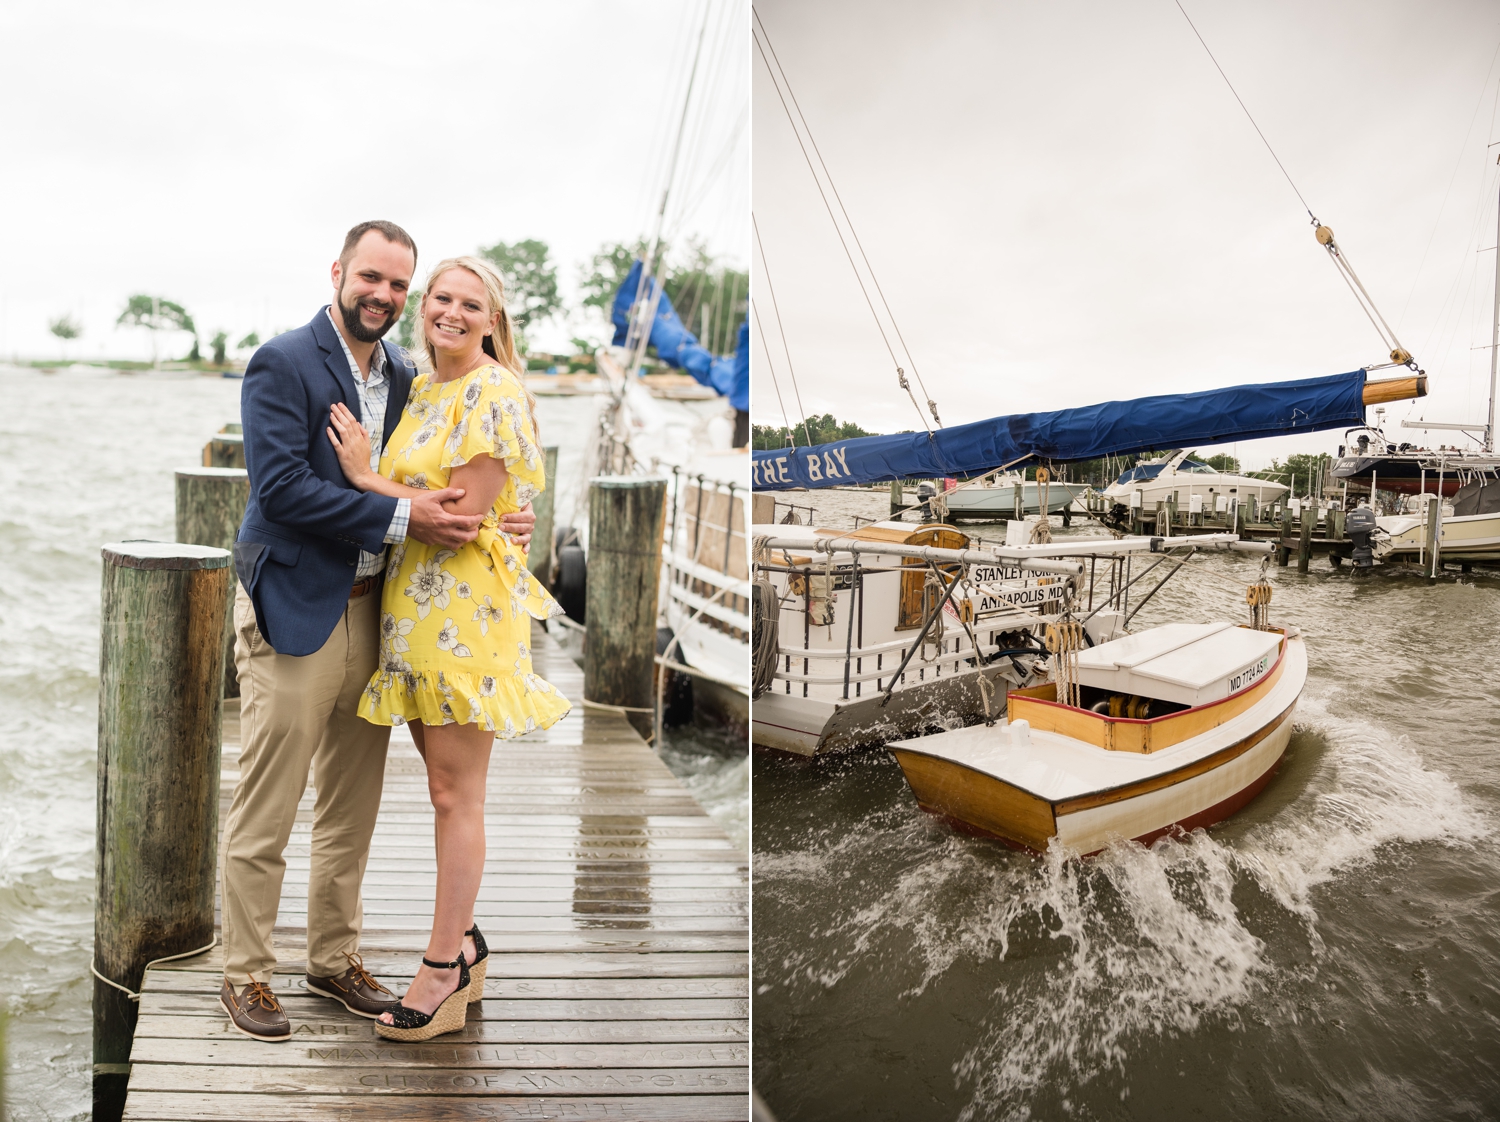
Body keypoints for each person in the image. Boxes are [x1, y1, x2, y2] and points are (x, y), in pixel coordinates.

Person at [219, 221, 537, 1042]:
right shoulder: (283, 361)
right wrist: (401, 509)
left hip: (378, 610)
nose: (385, 297)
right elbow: (283, 490)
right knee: (270, 802)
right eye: (375, 279)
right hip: (298, 605)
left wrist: (502, 514)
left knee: (352, 807)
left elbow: (459, 477)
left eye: (400, 285)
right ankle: (247, 972)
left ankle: (333, 959)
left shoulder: (407, 374)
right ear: (339, 273)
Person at [325, 254, 571, 1042]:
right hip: (415, 613)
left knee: (454, 793)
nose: (452, 313)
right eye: (441, 298)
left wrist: (364, 477)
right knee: (440, 787)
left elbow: (463, 516)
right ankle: (463, 941)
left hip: (466, 615)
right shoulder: (423, 386)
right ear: (423, 304)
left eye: (471, 304)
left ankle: (441, 970)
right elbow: (451, 500)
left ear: (493, 320)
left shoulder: (492, 390)